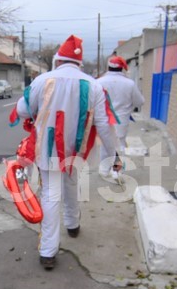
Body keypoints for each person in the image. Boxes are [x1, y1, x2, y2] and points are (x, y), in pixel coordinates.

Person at [14, 35, 122, 270]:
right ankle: (72, 225)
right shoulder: (93, 85)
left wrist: (38, 114)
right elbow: (104, 125)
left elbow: (22, 110)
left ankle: (48, 252)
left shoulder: (42, 80)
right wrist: (113, 154)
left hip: (48, 149)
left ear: (58, 60)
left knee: (51, 195)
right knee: (72, 184)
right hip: (76, 149)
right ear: (80, 62)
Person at [96, 55, 144, 179]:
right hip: (121, 119)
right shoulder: (130, 84)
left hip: (104, 118)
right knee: (119, 144)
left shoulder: (99, 82)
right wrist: (129, 106)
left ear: (108, 67)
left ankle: (104, 169)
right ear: (122, 68)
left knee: (105, 144)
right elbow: (139, 102)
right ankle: (117, 171)